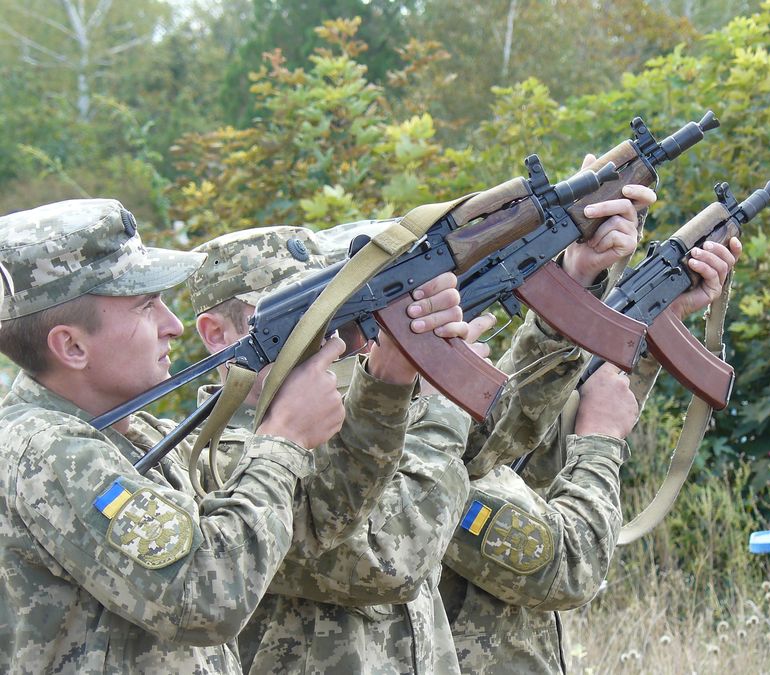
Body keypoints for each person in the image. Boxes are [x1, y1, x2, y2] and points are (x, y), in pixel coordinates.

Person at [0, 199, 461, 673]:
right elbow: (205, 594)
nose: (172, 326)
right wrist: (282, 440)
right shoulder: (47, 450)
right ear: (71, 345)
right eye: (145, 306)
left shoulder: (133, 437)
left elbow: (315, 523)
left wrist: (388, 380)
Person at [438, 162, 743, 673]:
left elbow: (524, 461)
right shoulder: (399, 451)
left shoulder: (402, 435)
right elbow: (569, 563)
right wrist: (601, 439)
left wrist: (642, 324)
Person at [187, 225, 476, 673]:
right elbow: (392, 557)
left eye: (334, 308)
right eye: (304, 313)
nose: (332, 334)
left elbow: (490, 460)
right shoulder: (213, 467)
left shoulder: (356, 415)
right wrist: (425, 394)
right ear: (216, 333)